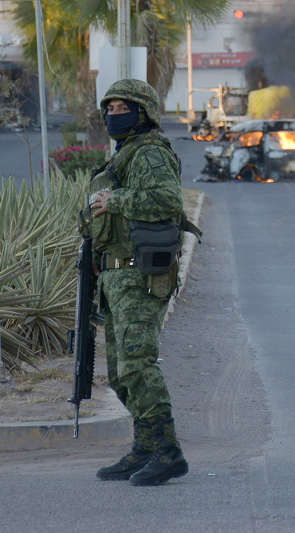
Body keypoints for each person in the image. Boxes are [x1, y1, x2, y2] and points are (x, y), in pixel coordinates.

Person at [80, 79, 188, 486]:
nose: (112, 114)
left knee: (138, 366)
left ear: (143, 113)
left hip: (140, 275)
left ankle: (168, 451)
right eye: (108, 107)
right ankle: (144, 447)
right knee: (120, 373)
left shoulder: (150, 153)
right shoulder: (122, 156)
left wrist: (115, 201)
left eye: (122, 107)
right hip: (114, 276)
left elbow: (168, 200)